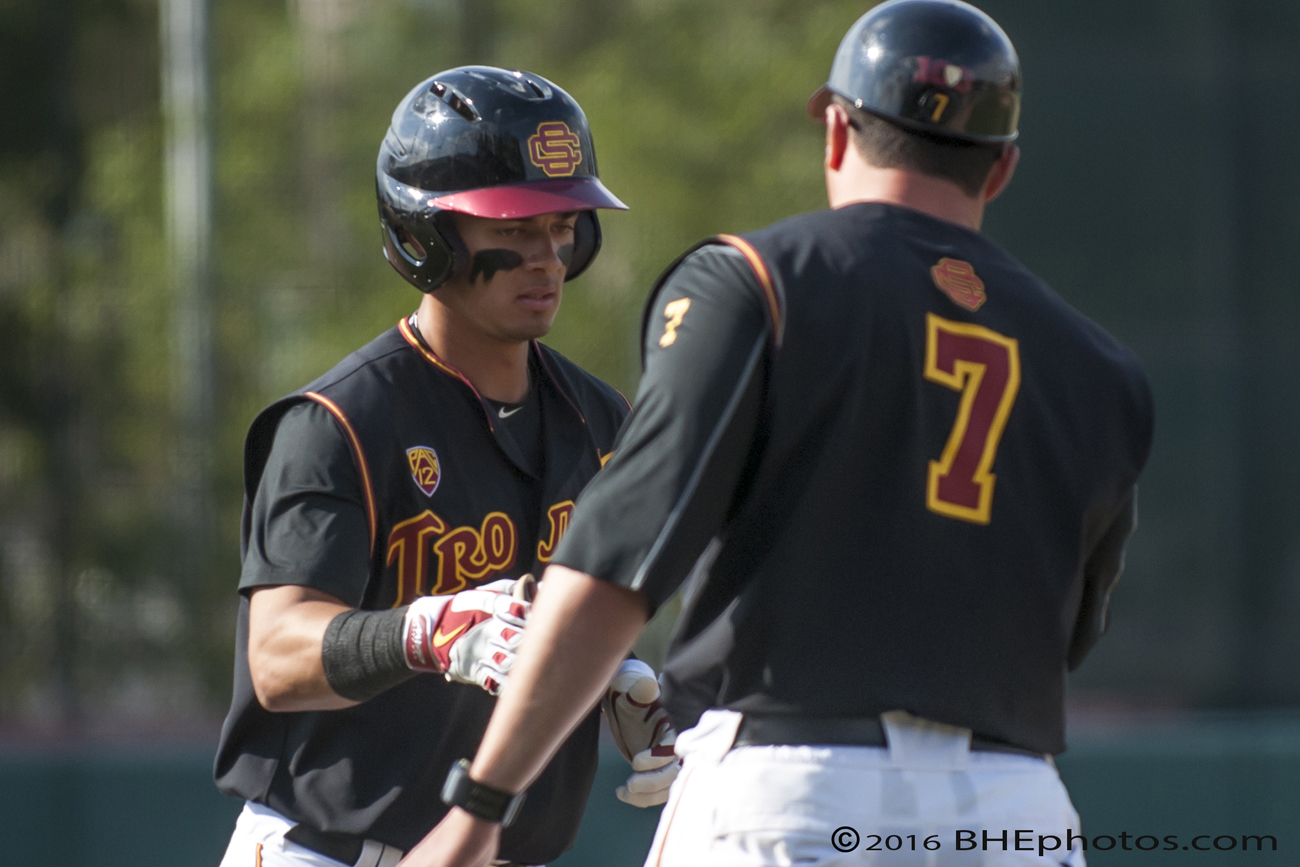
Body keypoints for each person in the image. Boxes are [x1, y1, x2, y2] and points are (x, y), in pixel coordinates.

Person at [402, 2, 1155, 866]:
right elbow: (1070, 634)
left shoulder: (757, 281)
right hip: (1012, 808)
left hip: (793, 788)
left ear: (835, 131)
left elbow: (616, 567)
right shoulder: (1104, 370)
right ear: (1003, 167)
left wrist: (483, 802)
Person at [213, 66, 676, 867]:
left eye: (563, 225)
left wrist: (611, 674)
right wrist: (424, 632)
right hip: (327, 851)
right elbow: (277, 656)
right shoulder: (340, 422)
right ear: (424, 234)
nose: (548, 257)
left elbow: (564, 612)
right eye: (514, 228)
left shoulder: (599, 422)